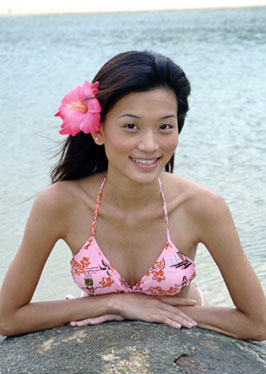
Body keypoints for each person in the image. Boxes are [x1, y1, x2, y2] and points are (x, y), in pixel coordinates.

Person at [0, 51, 265, 340]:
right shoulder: (60, 203)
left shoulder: (202, 207)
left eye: (165, 126)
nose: (150, 145)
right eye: (131, 126)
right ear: (98, 131)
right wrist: (116, 303)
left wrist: (156, 309)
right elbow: (7, 317)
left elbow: (257, 323)